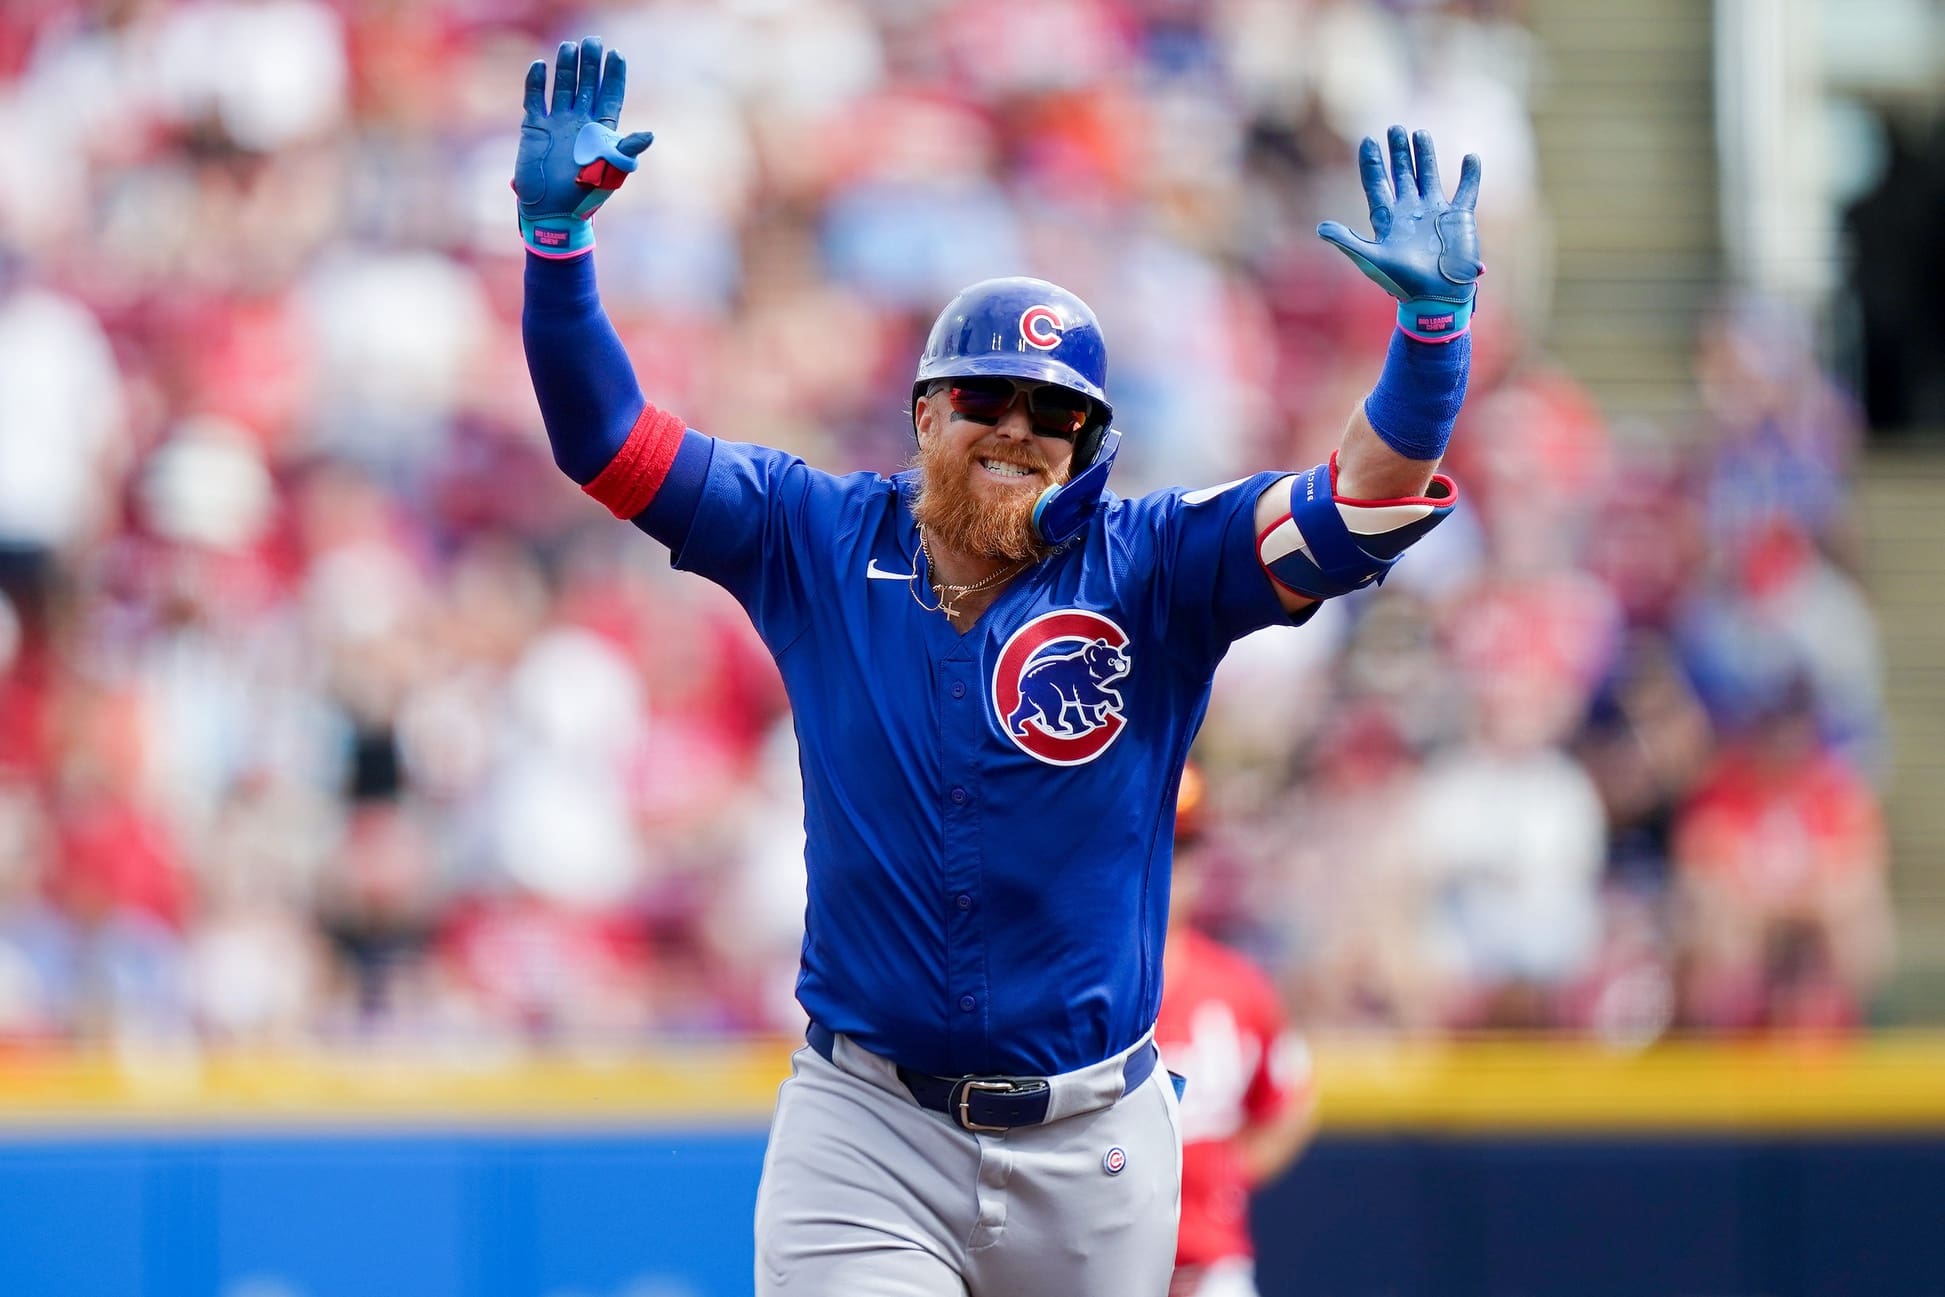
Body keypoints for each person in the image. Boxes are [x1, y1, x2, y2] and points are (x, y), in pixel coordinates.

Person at [516, 36, 1480, 1297]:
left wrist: (1430, 340)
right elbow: (604, 438)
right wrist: (557, 250)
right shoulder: (814, 535)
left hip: (1094, 1142)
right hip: (869, 1125)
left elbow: (1359, 497)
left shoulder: (1154, 566)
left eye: (1055, 411)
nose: (1018, 428)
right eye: (987, 397)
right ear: (926, 412)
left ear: (1090, 442)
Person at [1155, 766, 1318, 1297]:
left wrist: (1229, 1174)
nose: (1170, 866)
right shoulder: (1078, 987)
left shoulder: (1238, 987)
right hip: (1097, 1268)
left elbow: (1292, 1103)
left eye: (1183, 849)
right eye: (1159, 846)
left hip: (1210, 1267)